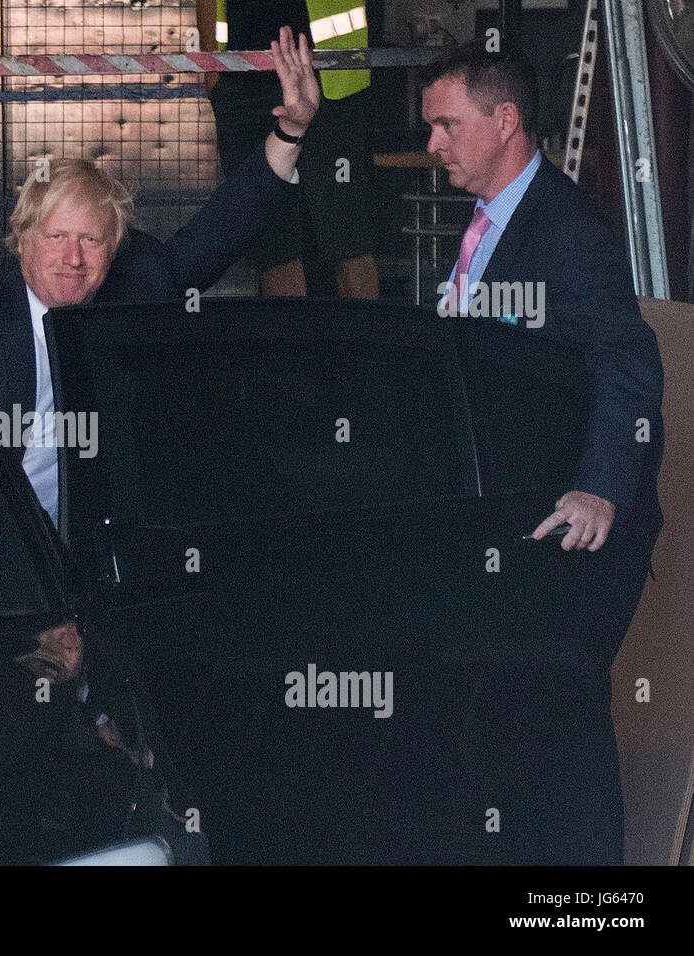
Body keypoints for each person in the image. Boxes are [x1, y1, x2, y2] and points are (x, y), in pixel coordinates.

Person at [419, 42, 664, 864]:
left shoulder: (566, 232)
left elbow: (628, 363)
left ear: (505, 121)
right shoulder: (487, 224)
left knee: (560, 716)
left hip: (573, 523)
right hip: (511, 517)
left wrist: (599, 490)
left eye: (447, 125)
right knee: (509, 716)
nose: (433, 145)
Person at [0, 26, 320, 526]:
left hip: (101, 541)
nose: (73, 259)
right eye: (57, 237)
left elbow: (225, 226)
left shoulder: (138, 284)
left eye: (91, 241)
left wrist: (291, 134)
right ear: (22, 238)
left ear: (113, 250)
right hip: (3, 549)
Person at [198, 0, 380, 299]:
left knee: (348, 234)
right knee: (272, 244)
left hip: (330, 79)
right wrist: (213, 74)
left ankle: (365, 343)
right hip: (242, 81)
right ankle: (289, 344)